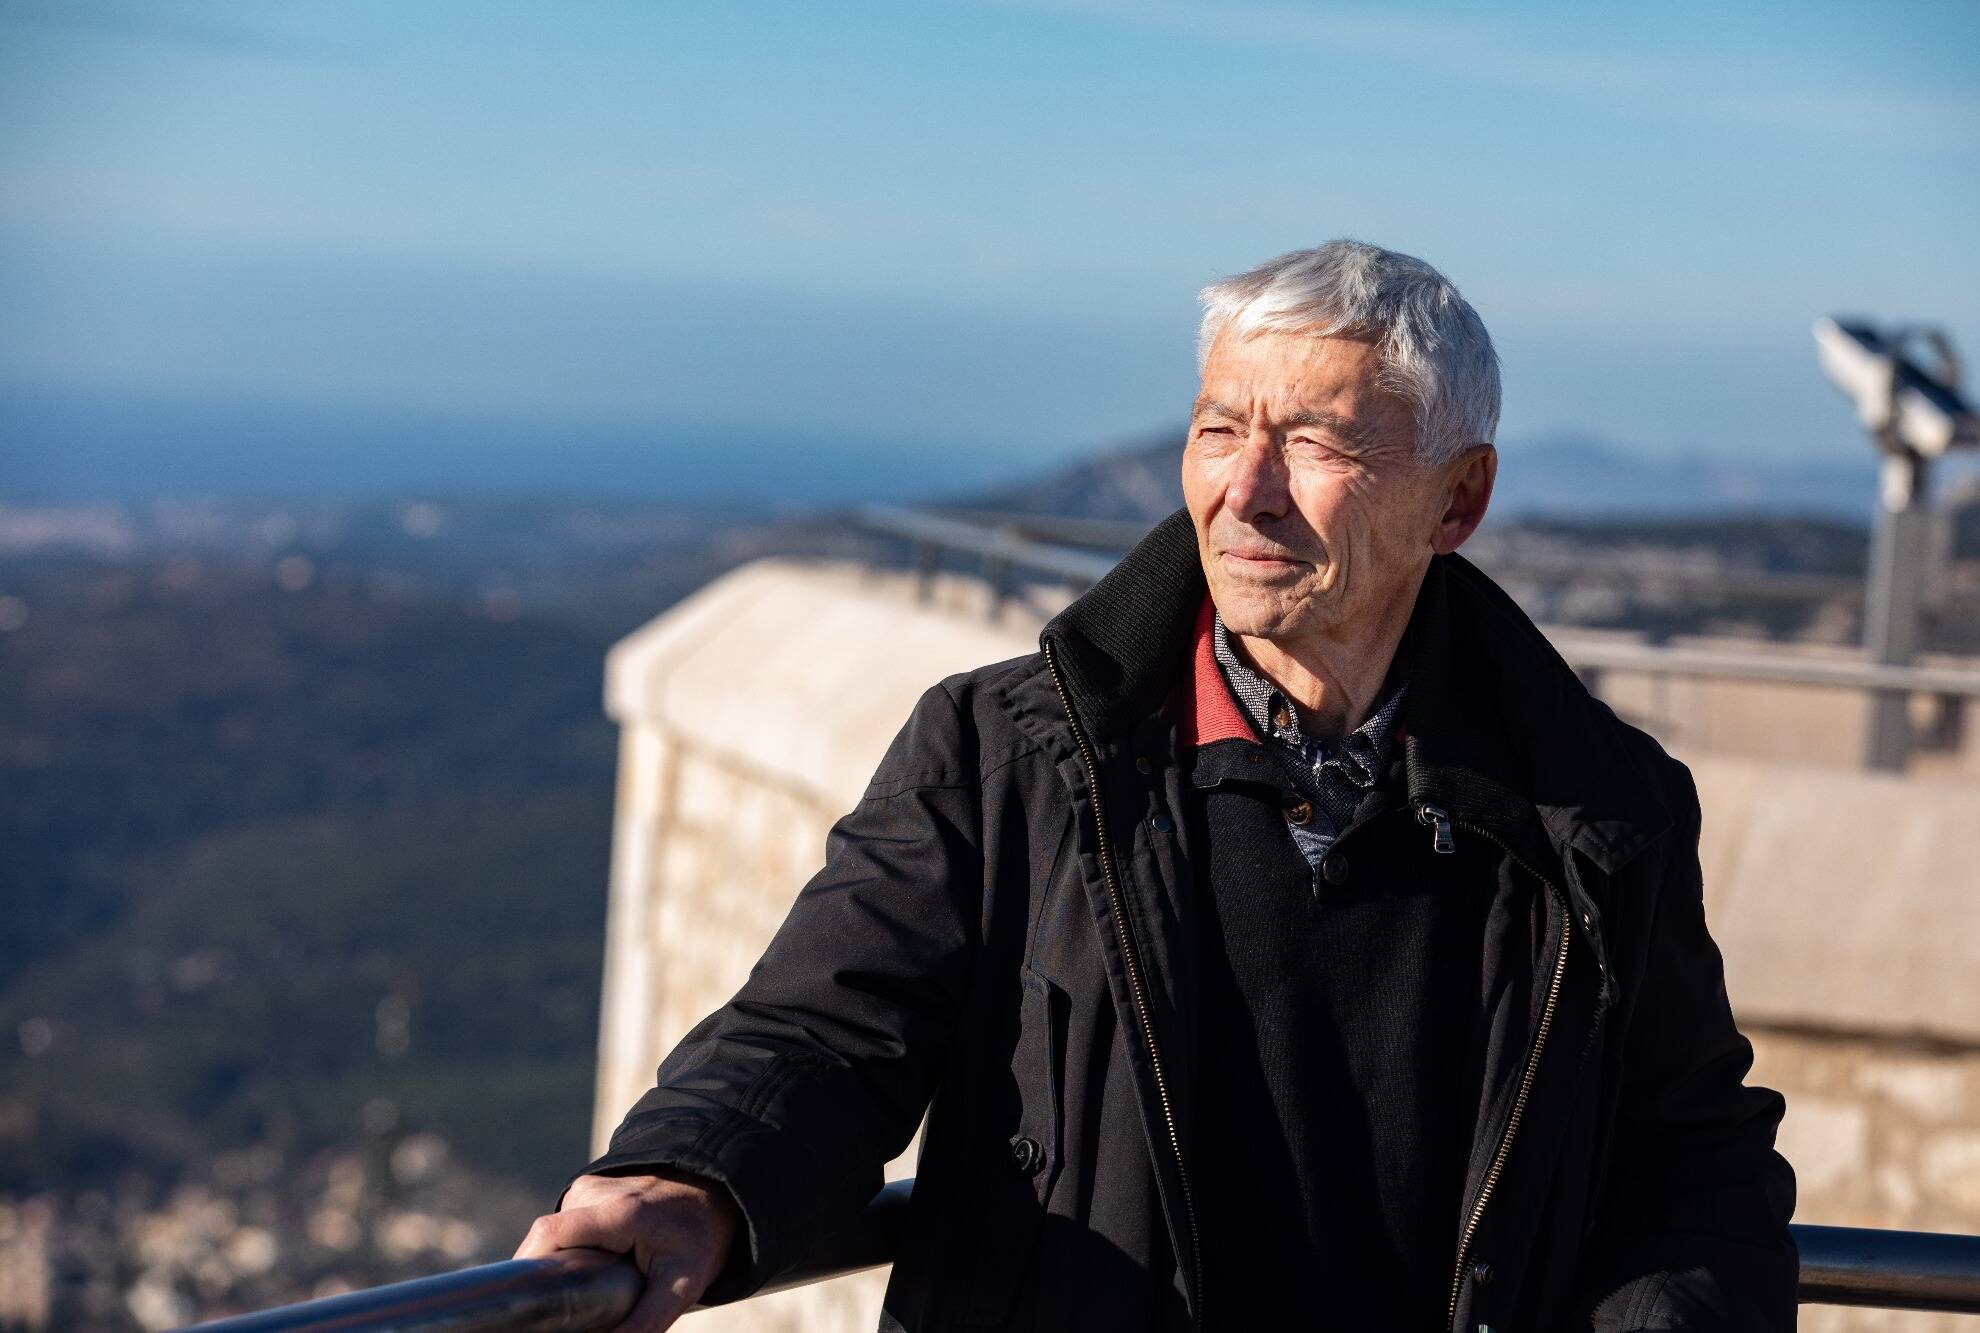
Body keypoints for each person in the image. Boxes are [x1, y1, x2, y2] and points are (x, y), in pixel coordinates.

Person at [516, 239, 1798, 1332]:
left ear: (1455, 500)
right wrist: (689, 1174)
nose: (1245, 492)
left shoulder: (1596, 812)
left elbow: (1687, 1158)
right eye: (1218, 430)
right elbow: (823, 1032)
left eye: (1313, 443)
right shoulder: (1002, 752)